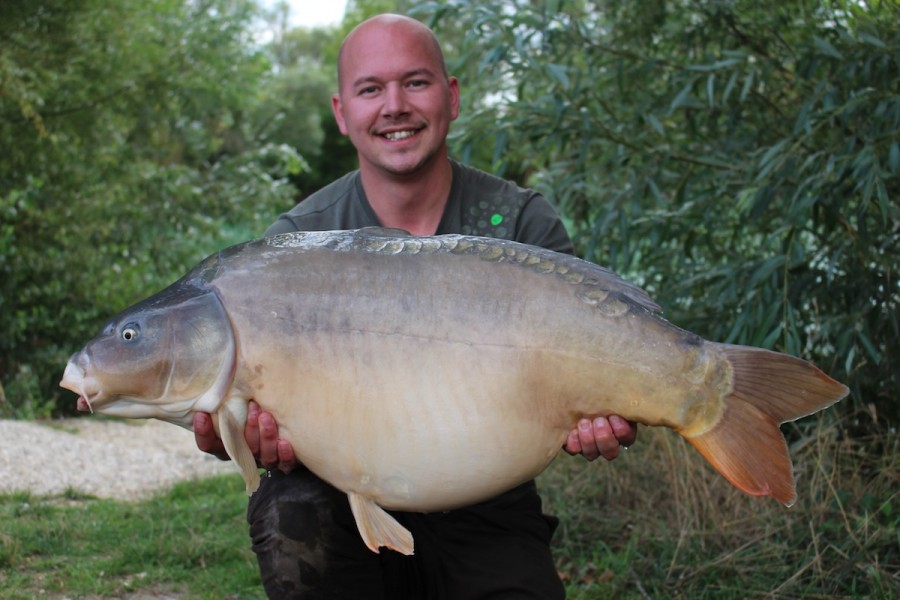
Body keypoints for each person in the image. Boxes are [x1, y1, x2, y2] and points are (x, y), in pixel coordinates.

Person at [194, 14, 638, 599]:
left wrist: (604, 417)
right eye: (371, 89)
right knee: (291, 512)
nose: (394, 105)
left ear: (451, 97)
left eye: (416, 82)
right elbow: (252, 413)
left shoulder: (522, 223)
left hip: (488, 503)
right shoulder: (295, 246)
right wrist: (240, 435)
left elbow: (591, 370)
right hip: (337, 503)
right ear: (341, 111)